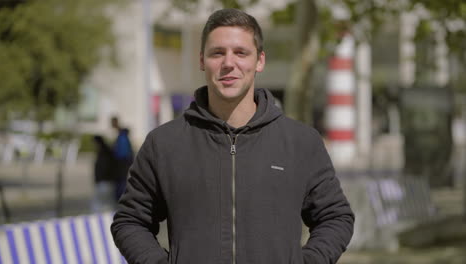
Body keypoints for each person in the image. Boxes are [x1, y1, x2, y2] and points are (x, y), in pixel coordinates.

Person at [111, 8, 354, 264]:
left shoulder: (301, 142)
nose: (229, 63)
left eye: (241, 52)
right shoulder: (164, 144)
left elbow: (335, 217)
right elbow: (129, 221)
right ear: (202, 60)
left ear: (259, 61)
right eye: (218, 53)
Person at [110, 116, 134, 200]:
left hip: (122, 164)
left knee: (122, 183)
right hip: (123, 163)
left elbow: (122, 153)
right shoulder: (121, 135)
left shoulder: (122, 136)